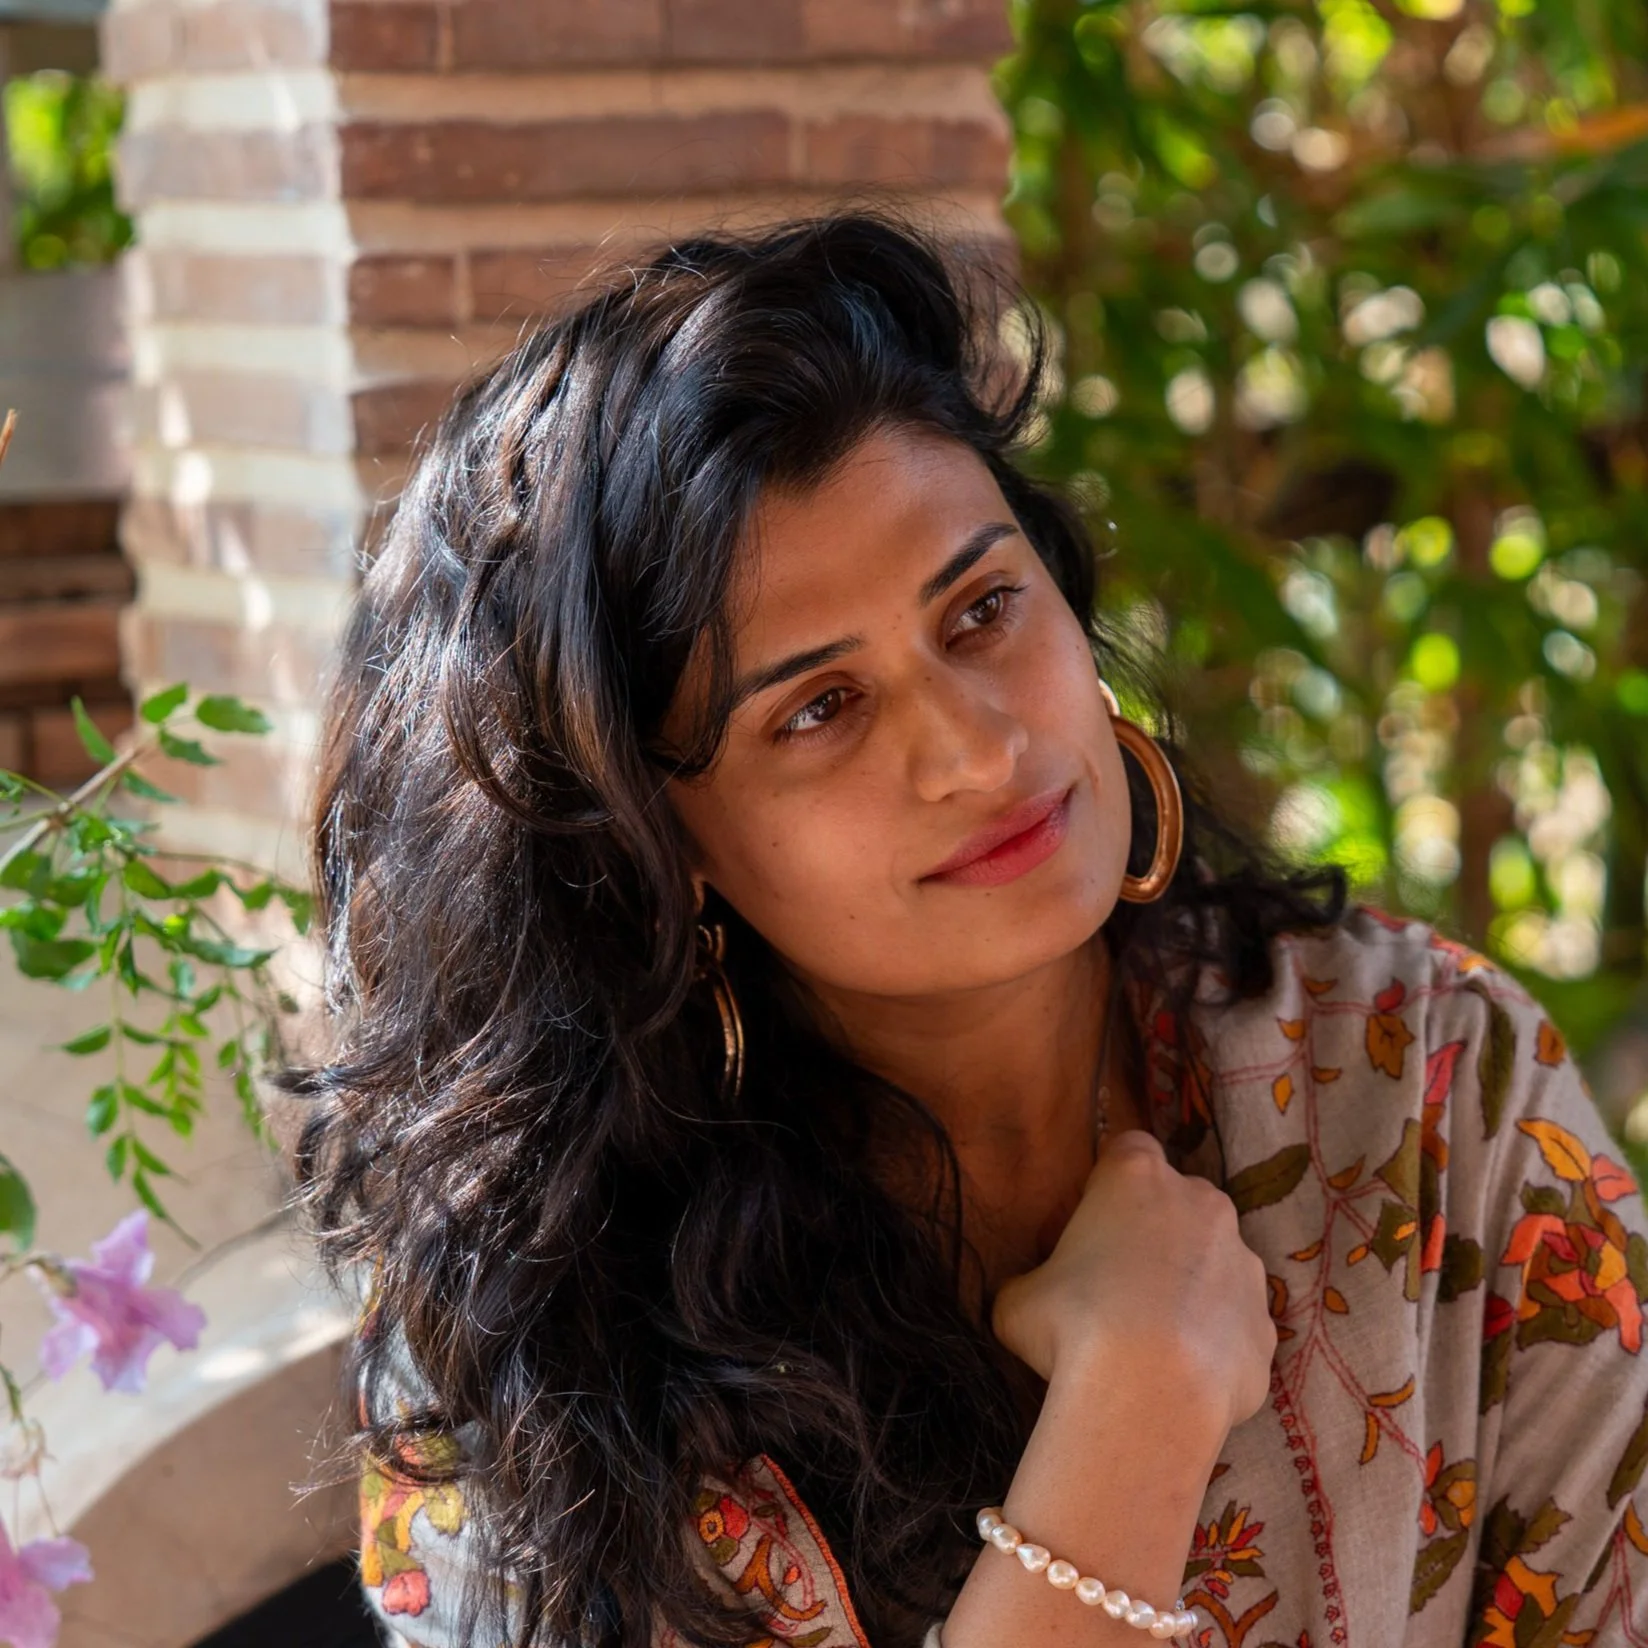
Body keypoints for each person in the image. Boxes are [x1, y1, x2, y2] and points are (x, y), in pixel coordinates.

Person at [284, 212, 1648, 1648]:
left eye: (984, 608)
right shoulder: (544, 1335)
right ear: (659, 848)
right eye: (820, 708)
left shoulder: (1429, 1088)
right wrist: (1134, 1406)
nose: (979, 750)